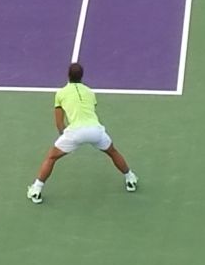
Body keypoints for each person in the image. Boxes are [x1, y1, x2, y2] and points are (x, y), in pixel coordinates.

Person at [26, 62, 137, 204]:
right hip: (95, 130)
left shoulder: (60, 94)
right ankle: (130, 178)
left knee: (51, 158)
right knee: (113, 152)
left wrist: (65, 138)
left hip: (75, 133)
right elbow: (90, 109)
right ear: (82, 76)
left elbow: (59, 122)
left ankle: (36, 190)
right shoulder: (90, 93)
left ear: (68, 76)